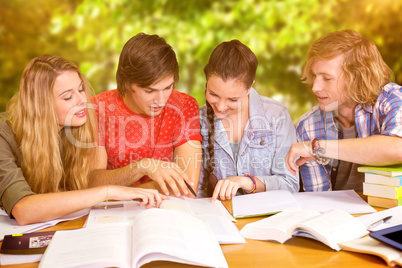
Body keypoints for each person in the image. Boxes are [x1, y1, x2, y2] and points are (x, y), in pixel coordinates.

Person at [0, 55, 167, 225]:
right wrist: (107, 192)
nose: (82, 101)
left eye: (80, 90)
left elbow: (70, 191)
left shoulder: (75, 128)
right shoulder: (3, 135)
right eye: (67, 97)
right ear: (41, 105)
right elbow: (23, 210)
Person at [285, 29, 402, 192]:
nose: (315, 87)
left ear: (357, 78)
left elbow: (398, 149)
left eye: (327, 78)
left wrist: (317, 147)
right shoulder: (307, 126)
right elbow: (319, 198)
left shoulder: (392, 100)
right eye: (315, 76)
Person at [90, 33, 202, 197]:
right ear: (127, 83)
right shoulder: (97, 108)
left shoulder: (184, 105)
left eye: (167, 88)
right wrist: (142, 166)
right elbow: (92, 183)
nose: (161, 100)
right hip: (113, 215)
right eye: (150, 91)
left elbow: (187, 188)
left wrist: (113, 192)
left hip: (165, 213)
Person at [197, 40, 299, 201]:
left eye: (232, 99)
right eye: (213, 94)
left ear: (250, 86)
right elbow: (195, 190)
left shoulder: (276, 116)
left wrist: (248, 182)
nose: (221, 106)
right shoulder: (199, 121)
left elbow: (290, 183)